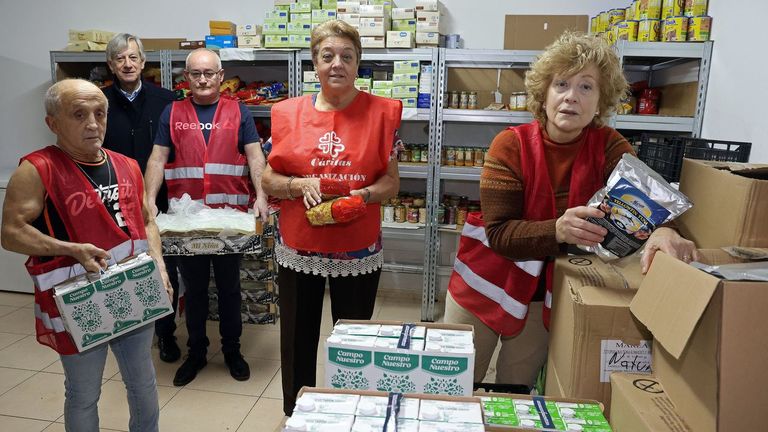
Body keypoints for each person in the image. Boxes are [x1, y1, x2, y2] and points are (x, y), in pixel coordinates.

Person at [443, 32, 698, 389]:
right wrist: (558, 231)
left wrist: (663, 230)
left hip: (544, 291)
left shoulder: (609, 146)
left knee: (513, 391)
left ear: (600, 101)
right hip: (484, 283)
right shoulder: (509, 145)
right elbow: (499, 233)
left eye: (586, 87)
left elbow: (648, 200)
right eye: (561, 83)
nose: (571, 96)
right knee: (453, 384)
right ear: (544, 93)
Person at [0, 79, 172, 432]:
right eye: (78, 115)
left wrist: (160, 263)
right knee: (83, 392)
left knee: (143, 383)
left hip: (133, 289)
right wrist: (70, 250)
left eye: (99, 113)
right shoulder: (37, 169)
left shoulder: (126, 164)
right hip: (78, 299)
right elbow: (11, 232)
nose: (93, 124)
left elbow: (147, 219)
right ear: (53, 123)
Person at [261, 20, 402, 415]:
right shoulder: (288, 114)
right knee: (297, 336)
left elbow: (391, 181)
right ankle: (298, 412)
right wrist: (295, 185)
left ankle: (351, 410)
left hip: (356, 246)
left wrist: (367, 195)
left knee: (354, 338)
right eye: (327, 56)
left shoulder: (382, 114)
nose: (337, 64)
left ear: (359, 64)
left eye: (347, 56)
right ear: (314, 63)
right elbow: (267, 177)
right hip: (299, 243)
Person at [144, 48, 269, 386]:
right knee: (194, 290)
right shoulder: (173, 112)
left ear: (220, 75)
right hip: (187, 222)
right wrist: (148, 199)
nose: (202, 79)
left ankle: (232, 351)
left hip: (229, 219)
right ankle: (196, 352)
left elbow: (255, 156)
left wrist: (261, 194)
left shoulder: (237, 111)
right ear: (186, 77)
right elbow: (157, 159)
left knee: (230, 288)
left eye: (209, 73)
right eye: (195, 73)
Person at [102, 33, 182, 363]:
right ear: (110, 64)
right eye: (120, 58)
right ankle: (122, 331)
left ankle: (165, 334)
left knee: (164, 266)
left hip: (158, 198)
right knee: (117, 265)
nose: (127, 64)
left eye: (133, 57)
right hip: (113, 196)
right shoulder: (99, 101)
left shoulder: (166, 99)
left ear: (143, 62)